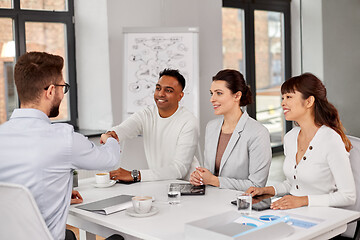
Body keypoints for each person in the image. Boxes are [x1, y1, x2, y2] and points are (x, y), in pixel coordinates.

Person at [0, 52, 121, 240]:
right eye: (62, 88)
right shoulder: (63, 138)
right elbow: (111, 160)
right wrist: (110, 138)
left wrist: (56, 192)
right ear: (50, 91)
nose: (62, 94)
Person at [246, 73, 356, 210]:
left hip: (324, 217)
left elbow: (348, 196)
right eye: (282, 98)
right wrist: (265, 190)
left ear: (309, 101)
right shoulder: (290, 137)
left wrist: (303, 201)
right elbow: (292, 184)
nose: (282, 103)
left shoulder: (330, 140)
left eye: (289, 97)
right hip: (293, 212)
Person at [107, 69, 199, 182]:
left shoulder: (189, 122)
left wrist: (135, 175)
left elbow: (179, 169)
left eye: (168, 90)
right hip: (158, 183)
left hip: (187, 186)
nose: (161, 94)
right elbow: (124, 129)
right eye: (158, 88)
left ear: (180, 96)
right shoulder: (147, 114)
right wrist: (111, 135)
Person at [189, 69, 272, 190]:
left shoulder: (258, 132)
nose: (212, 99)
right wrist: (199, 177)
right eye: (211, 93)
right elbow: (210, 172)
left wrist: (214, 181)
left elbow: (256, 185)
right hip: (212, 199)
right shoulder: (211, 127)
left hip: (243, 204)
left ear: (237, 96)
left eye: (219, 93)